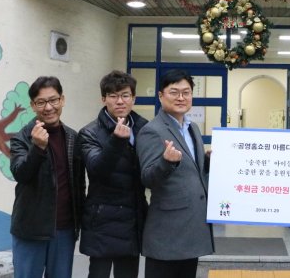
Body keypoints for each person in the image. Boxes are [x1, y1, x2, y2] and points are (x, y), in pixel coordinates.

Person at [136, 69, 213, 278]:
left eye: (186, 92)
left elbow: (191, 170)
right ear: (161, 96)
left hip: (192, 227)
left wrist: (207, 161)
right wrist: (166, 162)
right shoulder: (152, 131)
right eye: (174, 92)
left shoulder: (192, 128)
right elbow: (148, 177)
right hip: (167, 232)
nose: (181, 97)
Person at [10, 76, 85, 278]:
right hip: (30, 230)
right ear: (33, 106)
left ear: (62, 100)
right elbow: (20, 173)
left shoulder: (73, 137)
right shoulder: (22, 137)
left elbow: (78, 185)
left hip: (64, 230)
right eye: (41, 102)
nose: (49, 107)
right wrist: (38, 148)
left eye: (53, 100)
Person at [77, 71, 148, 278]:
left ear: (133, 98)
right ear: (103, 99)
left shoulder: (144, 128)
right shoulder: (89, 133)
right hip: (101, 220)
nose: (120, 101)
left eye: (125, 95)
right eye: (113, 96)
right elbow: (97, 171)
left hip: (132, 218)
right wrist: (116, 141)